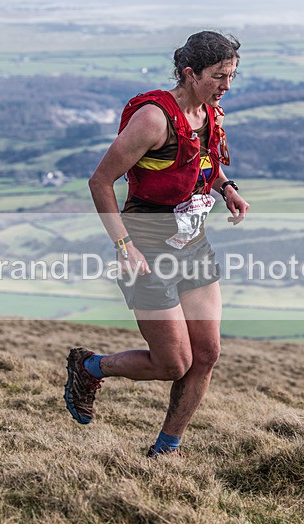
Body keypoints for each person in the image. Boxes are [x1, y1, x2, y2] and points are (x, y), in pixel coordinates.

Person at [63, 30, 249, 458]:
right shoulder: (153, 119)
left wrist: (227, 188)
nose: (226, 85)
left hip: (193, 244)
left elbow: (202, 161)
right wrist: (124, 245)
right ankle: (90, 366)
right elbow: (100, 181)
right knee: (172, 363)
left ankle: (166, 449)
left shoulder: (210, 113)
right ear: (189, 72)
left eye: (232, 76)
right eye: (218, 76)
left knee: (207, 354)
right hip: (147, 248)